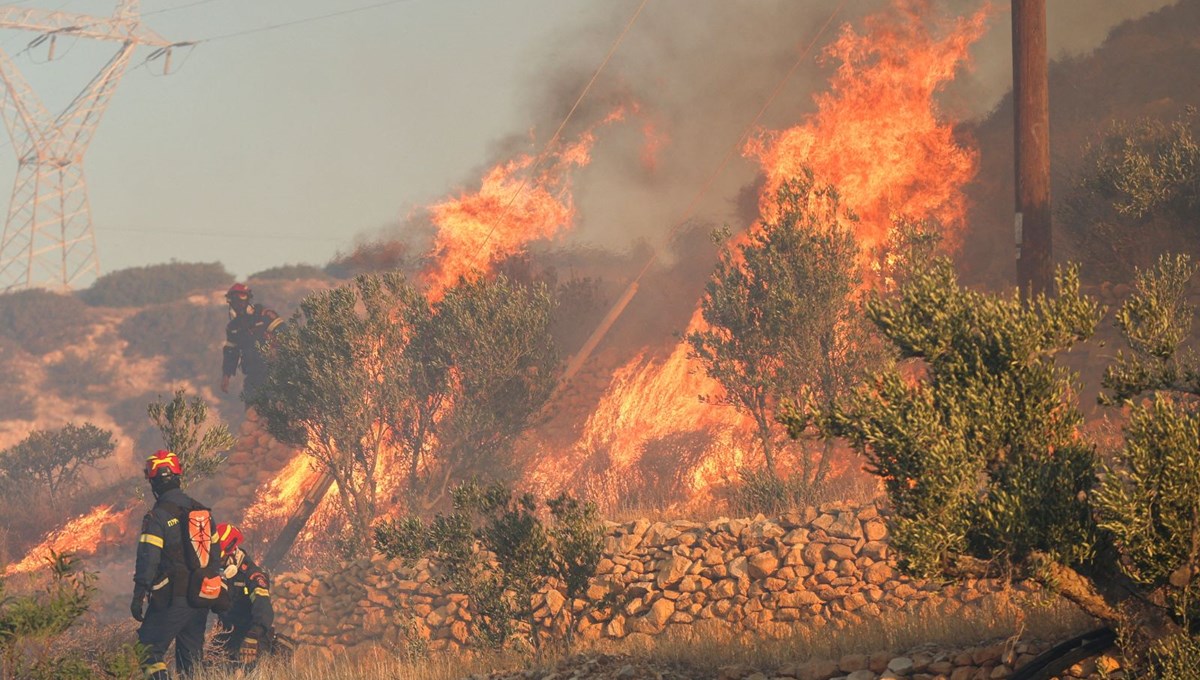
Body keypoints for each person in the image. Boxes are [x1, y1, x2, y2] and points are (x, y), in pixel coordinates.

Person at [131, 451, 216, 680]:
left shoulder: (157, 517)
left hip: (172, 597)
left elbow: (148, 559)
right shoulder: (202, 512)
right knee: (191, 662)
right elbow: (216, 556)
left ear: (154, 482)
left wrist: (139, 594)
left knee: (148, 648)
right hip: (201, 598)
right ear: (178, 476)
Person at [213, 522, 275, 668]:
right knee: (210, 666)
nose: (218, 564)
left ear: (232, 552)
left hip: (252, 633)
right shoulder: (218, 571)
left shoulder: (253, 575)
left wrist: (254, 633)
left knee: (250, 669)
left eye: (221, 559)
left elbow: (263, 605)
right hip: (227, 631)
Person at [221, 283, 285, 404]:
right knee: (252, 412)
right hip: (253, 375)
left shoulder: (264, 315)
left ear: (248, 299)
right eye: (234, 301)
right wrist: (226, 375)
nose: (238, 304)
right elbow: (231, 353)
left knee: (278, 409)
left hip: (274, 372)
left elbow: (285, 333)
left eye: (241, 299)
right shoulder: (233, 327)